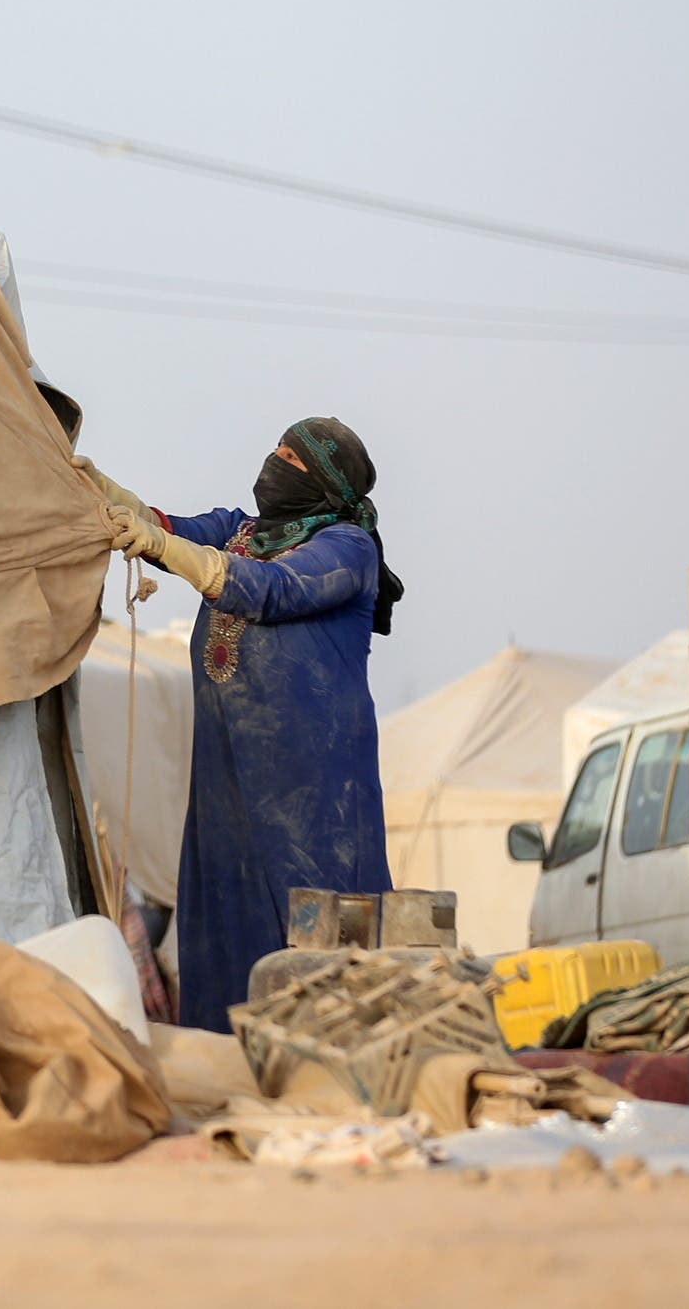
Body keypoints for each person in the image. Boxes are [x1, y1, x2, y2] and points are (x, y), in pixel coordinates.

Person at [82, 418, 406, 1033]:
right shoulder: (242, 530)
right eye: (277, 448)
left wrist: (160, 549)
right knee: (225, 905)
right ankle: (229, 1054)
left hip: (311, 778)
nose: (274, 461)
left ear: (327, 480)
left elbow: (270, 589)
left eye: (294, 457)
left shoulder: (347, 547)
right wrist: (99, 490)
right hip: (229, 766)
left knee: (315, 915)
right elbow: (168, 526)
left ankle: (328, 1050)